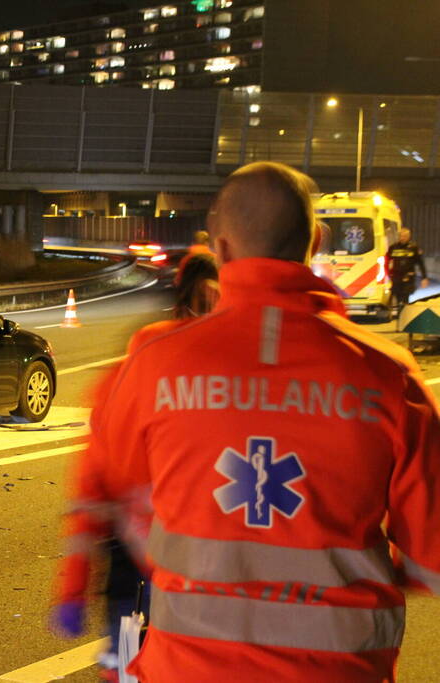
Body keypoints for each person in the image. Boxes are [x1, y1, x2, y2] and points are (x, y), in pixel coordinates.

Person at [53, 161, 440, 682]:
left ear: (220, 247)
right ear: (316, 242)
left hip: (187, 670)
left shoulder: (152, 364)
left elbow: (107, 492)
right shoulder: (388, 374)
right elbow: (431, 557)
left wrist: (83, 582)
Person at [52, 252, 220, 681]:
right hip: (190, 577)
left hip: (141, 567)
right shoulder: (240, 383)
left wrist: (73, 588)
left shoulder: (132, 369)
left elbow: (92, 485)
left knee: (129, 660)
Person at [386, 227, 429, 311]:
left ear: (409, 237)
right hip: (396, 276)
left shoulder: (413, 248)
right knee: (397, 296)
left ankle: (403, 311)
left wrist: (424, 277)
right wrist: (387, 273)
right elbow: (386, 261)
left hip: (408, 276)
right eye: (401, 236)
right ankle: (399, 311)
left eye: (405, 236)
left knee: (405, 296)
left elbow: (420, 263)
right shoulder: (393, 248)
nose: (402, 238)